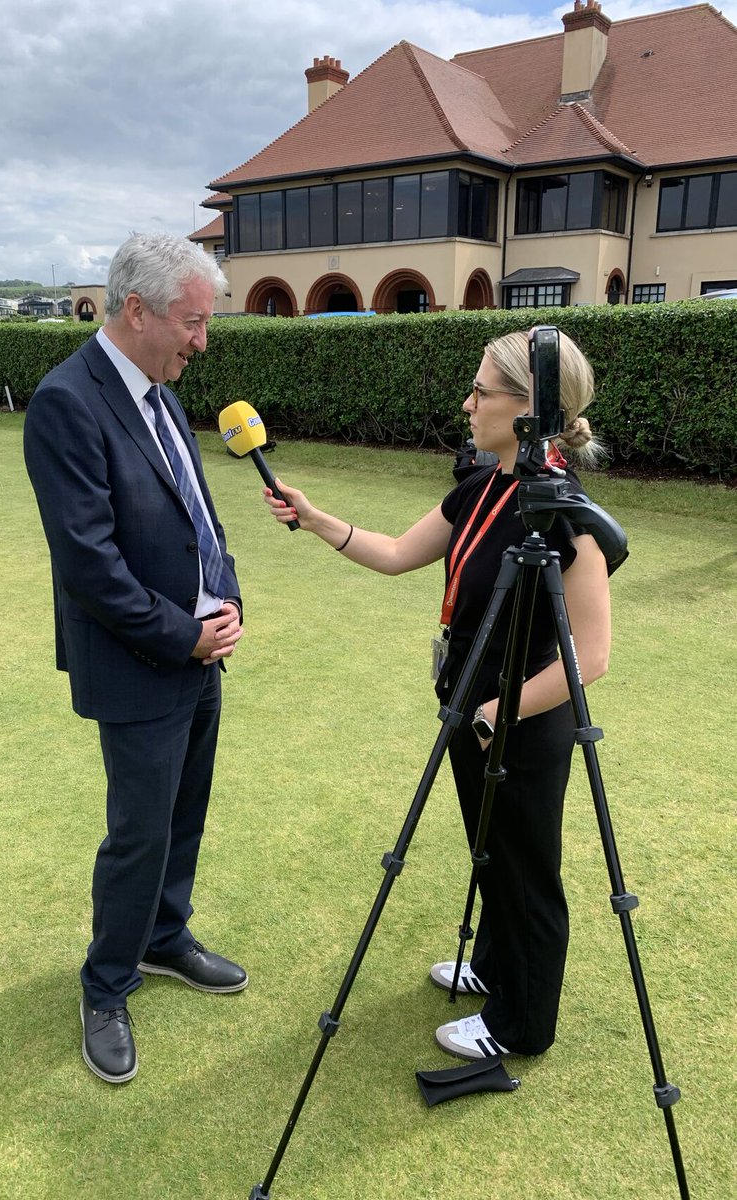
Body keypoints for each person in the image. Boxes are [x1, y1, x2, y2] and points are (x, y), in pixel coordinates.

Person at [263, 329, 611, 1061]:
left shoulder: (564, 515)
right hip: (466, 708)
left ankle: (522, 1025)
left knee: (524, 871)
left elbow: (594, 656)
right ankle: (492, 968)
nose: (468, 402)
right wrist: (315, 515)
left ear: (528, 409)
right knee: (489, 855)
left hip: (519, 720)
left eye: (481, 390)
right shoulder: (482, 487)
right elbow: (394, 554)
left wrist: (495, 713)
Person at [23, 233, 247, 1085]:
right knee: (139, 831)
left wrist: (225, 598)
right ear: (137, 310)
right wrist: (181, 633)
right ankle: (107, 982)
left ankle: (163, 937)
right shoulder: (66, 404)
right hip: (140, 662)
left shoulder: (160, 392)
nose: (202, 340)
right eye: (193, 322)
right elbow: (88, 565)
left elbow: (196, 515)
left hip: (200, 654)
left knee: (182, 816)